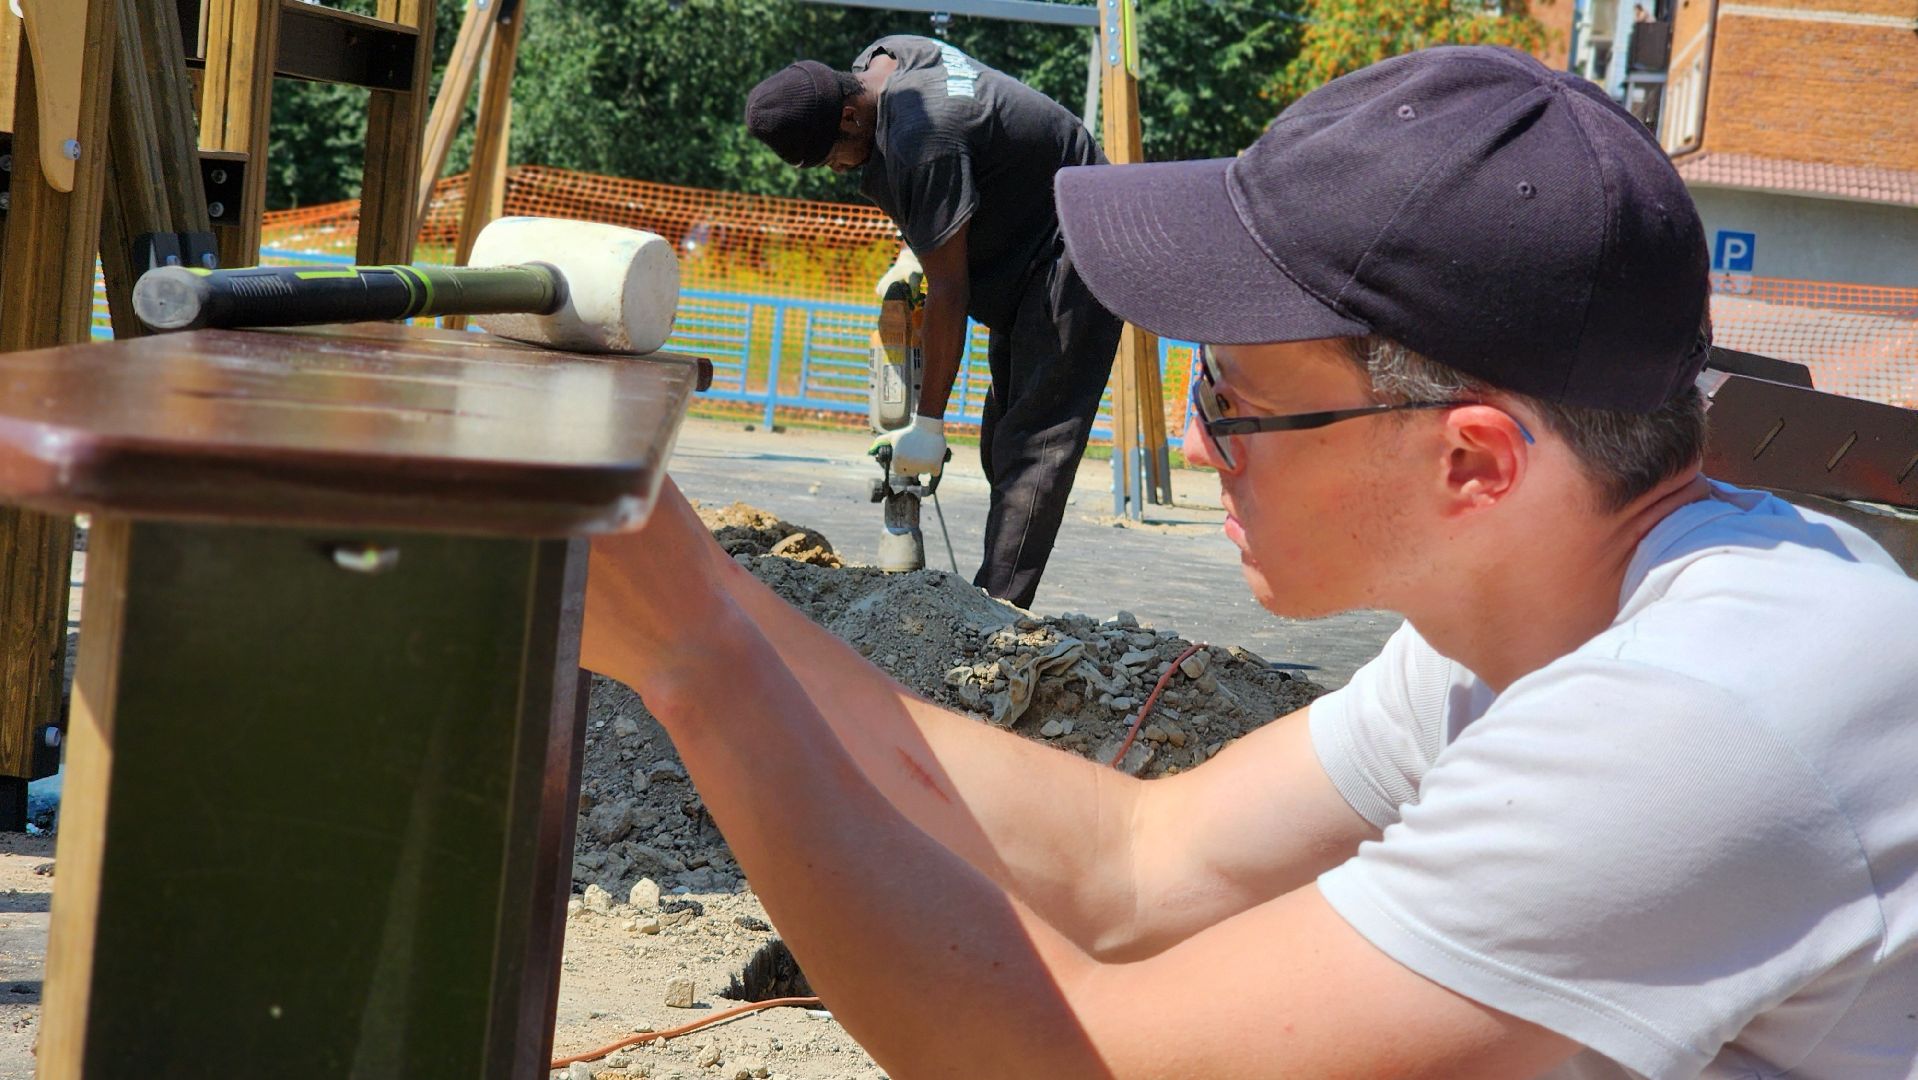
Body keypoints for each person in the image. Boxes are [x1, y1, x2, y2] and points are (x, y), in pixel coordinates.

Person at [587, 46, 1918, 1077]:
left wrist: (700, 663)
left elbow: (1083, 1058)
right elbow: (1133, 865)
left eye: (1236, 400)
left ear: (1472, 463)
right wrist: (726, 604)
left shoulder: (1690, 723)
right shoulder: (1532, 617)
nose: (1193, 432)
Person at [744, 36, 1124, 608]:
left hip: (1086, 240)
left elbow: (950, 289)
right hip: (1033, 237)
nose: (838, 169)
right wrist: (914, 247)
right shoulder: (887, 57)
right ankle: (998, 594)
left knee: (1036, 443)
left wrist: (928, 421)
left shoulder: (924, 136)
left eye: (830, 157)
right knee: (1003, 433)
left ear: (850, 116)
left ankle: (996, 616)